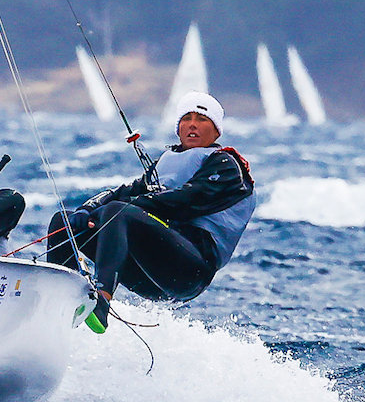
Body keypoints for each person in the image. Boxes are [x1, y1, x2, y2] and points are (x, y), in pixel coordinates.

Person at [46, 91, 256, 335]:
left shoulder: (226, 166)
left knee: (118, 212)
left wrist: (121, 208)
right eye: (186, 118)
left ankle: (101, 302)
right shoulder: (167, 161)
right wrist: (88, 210)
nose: (192, 125)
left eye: (202, 119)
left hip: (190, 270)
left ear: (216, 131)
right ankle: (58, 308)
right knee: (64, 222)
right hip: (149, 272)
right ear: (178, 128)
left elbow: (185, 200)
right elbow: (123, 192)